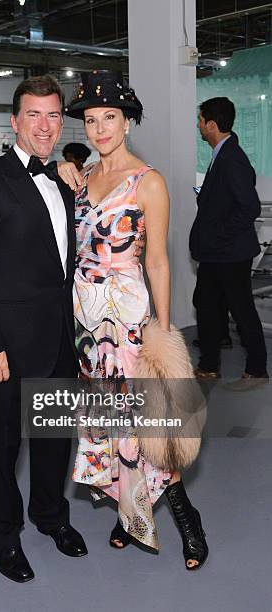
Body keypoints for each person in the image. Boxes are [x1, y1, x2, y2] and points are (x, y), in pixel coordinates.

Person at [61, 70, 208, 570]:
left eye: (110, 118)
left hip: (126, 319)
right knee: (108, 422)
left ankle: (187, 517)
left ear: (127, 123)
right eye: (92, 119)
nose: (100, 128)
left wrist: (162, 331)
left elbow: (159, 262)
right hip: (87, 323)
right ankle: (129, 515)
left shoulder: (150, 182)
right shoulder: (82, 181)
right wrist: (64, 171)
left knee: (148, 423)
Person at [0, 75, 87, 584]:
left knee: (54, 438)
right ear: (14, 121)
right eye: (34, 114)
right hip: (3, 347)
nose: (46, 125)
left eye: (54, 114)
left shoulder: (63, 180)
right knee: (2, 445)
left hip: (57, 341)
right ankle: (2, 533)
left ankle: (50, 517)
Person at [190, 97, 268, 389]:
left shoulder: (232, 157)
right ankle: (209, 366)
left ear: (211, 124)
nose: (198, 125)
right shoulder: (221, 154)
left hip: (229, 252)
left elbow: (250, 208)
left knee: (241, 309)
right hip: (216, 252)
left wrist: (218, 233)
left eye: (201, 120)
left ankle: (257, 369)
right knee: (206, 303)